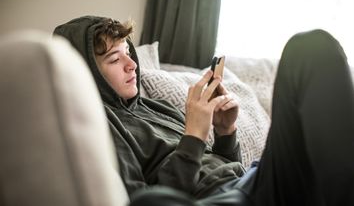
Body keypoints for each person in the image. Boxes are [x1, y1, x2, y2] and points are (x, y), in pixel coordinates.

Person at [54, 16, 354, 206]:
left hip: (251, 182)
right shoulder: (100, 127)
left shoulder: (155, 107)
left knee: (311, 48)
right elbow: (142, 199)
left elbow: (220, 169)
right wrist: (195, 135)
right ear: (86, 70)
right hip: (220, 199)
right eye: (113, 59)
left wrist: (225, 133)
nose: (131, 64)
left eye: (128, 53)